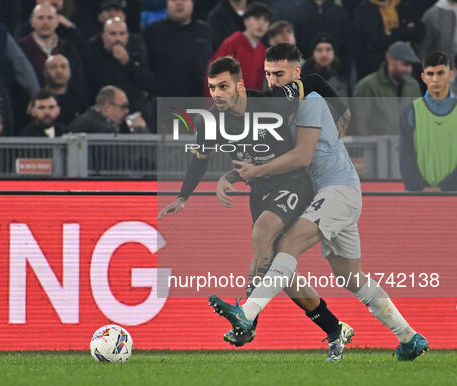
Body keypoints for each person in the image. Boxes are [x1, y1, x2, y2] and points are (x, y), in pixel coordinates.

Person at [209, 44, 428, 362]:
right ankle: (410, 338)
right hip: (329, 193)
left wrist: (257, 171)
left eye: (280, 74)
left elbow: (302, 155)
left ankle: (248, 313)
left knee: (286, 247)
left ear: (296, 74)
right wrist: (234, 172)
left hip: (337, 191)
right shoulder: (285, 104)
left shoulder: (310, 103)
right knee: (350, 277)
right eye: (269, 74)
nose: (273, 81)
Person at [159, 56, 355, 360]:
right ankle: (334, 329)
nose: (217, 94)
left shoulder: (271, 102)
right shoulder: (211, 120)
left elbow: (313, 81)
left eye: (223, 86)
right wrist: (183, 196)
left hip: (295, 182)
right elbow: (200, 160)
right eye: (212, 88)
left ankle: (246, 319)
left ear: (239, 85)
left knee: (262, 233)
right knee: (280, 271)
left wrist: (342, 110)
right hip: (260, 189)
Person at [399, 51, 457, 191]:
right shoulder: (410, 112)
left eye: (440, 73)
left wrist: (444, 188)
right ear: (423, 77)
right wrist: (420, 188)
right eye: (430, 74)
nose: (435, 79)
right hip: (418, 197)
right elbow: (406, 156)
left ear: (450, 75)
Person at [87, 17, 155, 117]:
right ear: (103, 37)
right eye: (113, 34)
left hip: (133, 114)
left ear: (127, 37)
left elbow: (151, 85)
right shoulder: (94, 60)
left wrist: (128, 63)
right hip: (102, 116)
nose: (118, 39)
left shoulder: (135, 59)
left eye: (122, 34)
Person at [143, 0, 213, 97]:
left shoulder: (205, 31)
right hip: (165, 100)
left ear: (192, 3)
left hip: (200, 99)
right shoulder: (153, 31)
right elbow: (145, 66)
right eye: (174, 0)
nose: (179, 3)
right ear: (167, 4)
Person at [353, 41, 421, 135]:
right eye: (405, 64)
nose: (409, 69)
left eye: (411, 65)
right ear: (390, 60)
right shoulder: (368, 85)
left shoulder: (413, 86)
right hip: (377, 146)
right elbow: (360, 121)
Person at [18, 2, 87, 90]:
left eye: (50, 18)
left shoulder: (68, 48)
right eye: (40, 18)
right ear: (32, 22)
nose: (45, 22)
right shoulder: (22, 48)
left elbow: (79, 81)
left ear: (57, 22)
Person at [206, 3, 271, 93]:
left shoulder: (263, 51)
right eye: (256, 18)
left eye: (265, 20)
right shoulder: (233, 42)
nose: (261, 23)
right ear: (246, 21)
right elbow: (214, 73)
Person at [353, 0, 425, 79]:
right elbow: (377, 41)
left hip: (408, 68)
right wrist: (405, 31)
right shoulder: (364, 8)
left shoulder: (401, 5)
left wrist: (392, 33)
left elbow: (420, 33)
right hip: (375, 68)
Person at [293, 0, 354, 79]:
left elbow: (347, 45)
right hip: (307, 70)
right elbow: (298, 43)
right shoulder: (300, 11)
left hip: (338, 71)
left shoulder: (340, 12)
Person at [68, 85, 148, 133]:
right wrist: (139, 129)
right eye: (124, 106)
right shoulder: (105, 129)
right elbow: (125, 159)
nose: (127, 111)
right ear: (108, 106)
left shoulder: (83, 120)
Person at [44, 54, 89, 127]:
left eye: (63, 66)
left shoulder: (80, 99)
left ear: (70, 72)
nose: (59, 71)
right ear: (45, 73)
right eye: (53, 67)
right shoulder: (38, 99)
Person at [301, 33, 349, 98]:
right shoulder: (303, 80)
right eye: (319, 50)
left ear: (334, 53)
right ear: (313, 54)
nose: (324, 54)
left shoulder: (342, 82)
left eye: (328, 49)